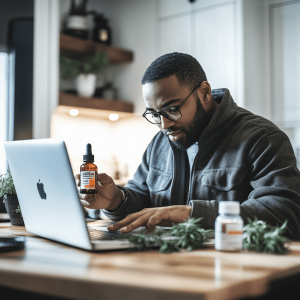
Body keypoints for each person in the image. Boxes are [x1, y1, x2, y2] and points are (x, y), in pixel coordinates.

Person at [75, 52, 300, 238]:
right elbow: (142, 199)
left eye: (172, 109)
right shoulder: (161, 141)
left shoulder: (261, 138)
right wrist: (116, 200)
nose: (164, 125)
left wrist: (192, 213)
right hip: (166, 265)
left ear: (204, 92)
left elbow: (286, 213)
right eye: (154, 114)